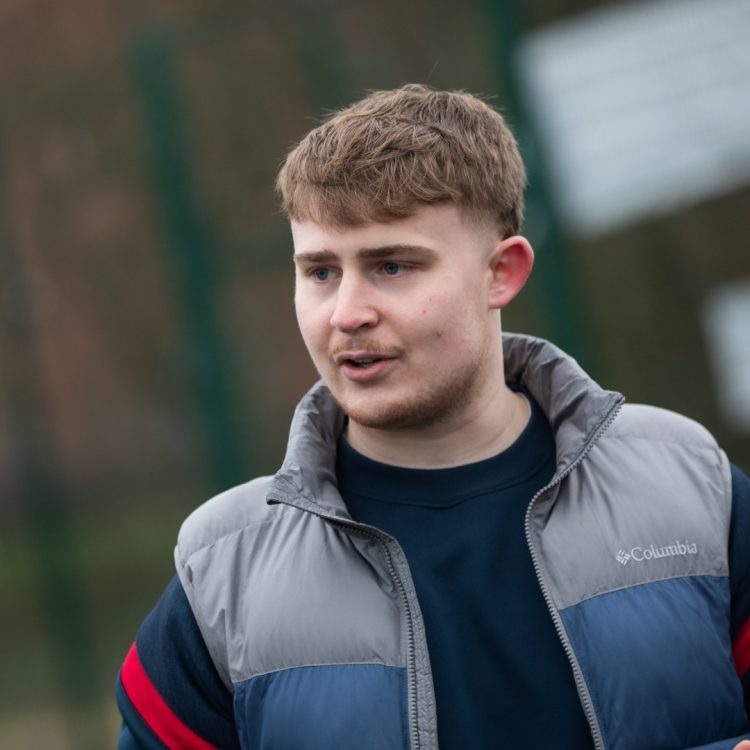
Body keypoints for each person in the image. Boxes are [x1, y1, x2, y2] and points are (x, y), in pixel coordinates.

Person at [116, 84, 750, 750]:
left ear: (500, 273)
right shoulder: (224, 569)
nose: (347, 313)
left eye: (392, 266)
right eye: (322, 272)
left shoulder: (690, 486)